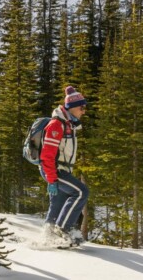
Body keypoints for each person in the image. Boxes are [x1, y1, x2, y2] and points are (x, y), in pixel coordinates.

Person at [40, 85, 90, 246]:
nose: (84, 111)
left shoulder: (69, 124)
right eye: (82, 107)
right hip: (55, 170)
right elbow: (47, 155)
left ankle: (48, 237)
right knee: (81, 192)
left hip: (59, 170)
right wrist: (52, 179)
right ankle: (63, 230)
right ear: (73, 107)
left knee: (58, 202)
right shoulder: (57, 125)